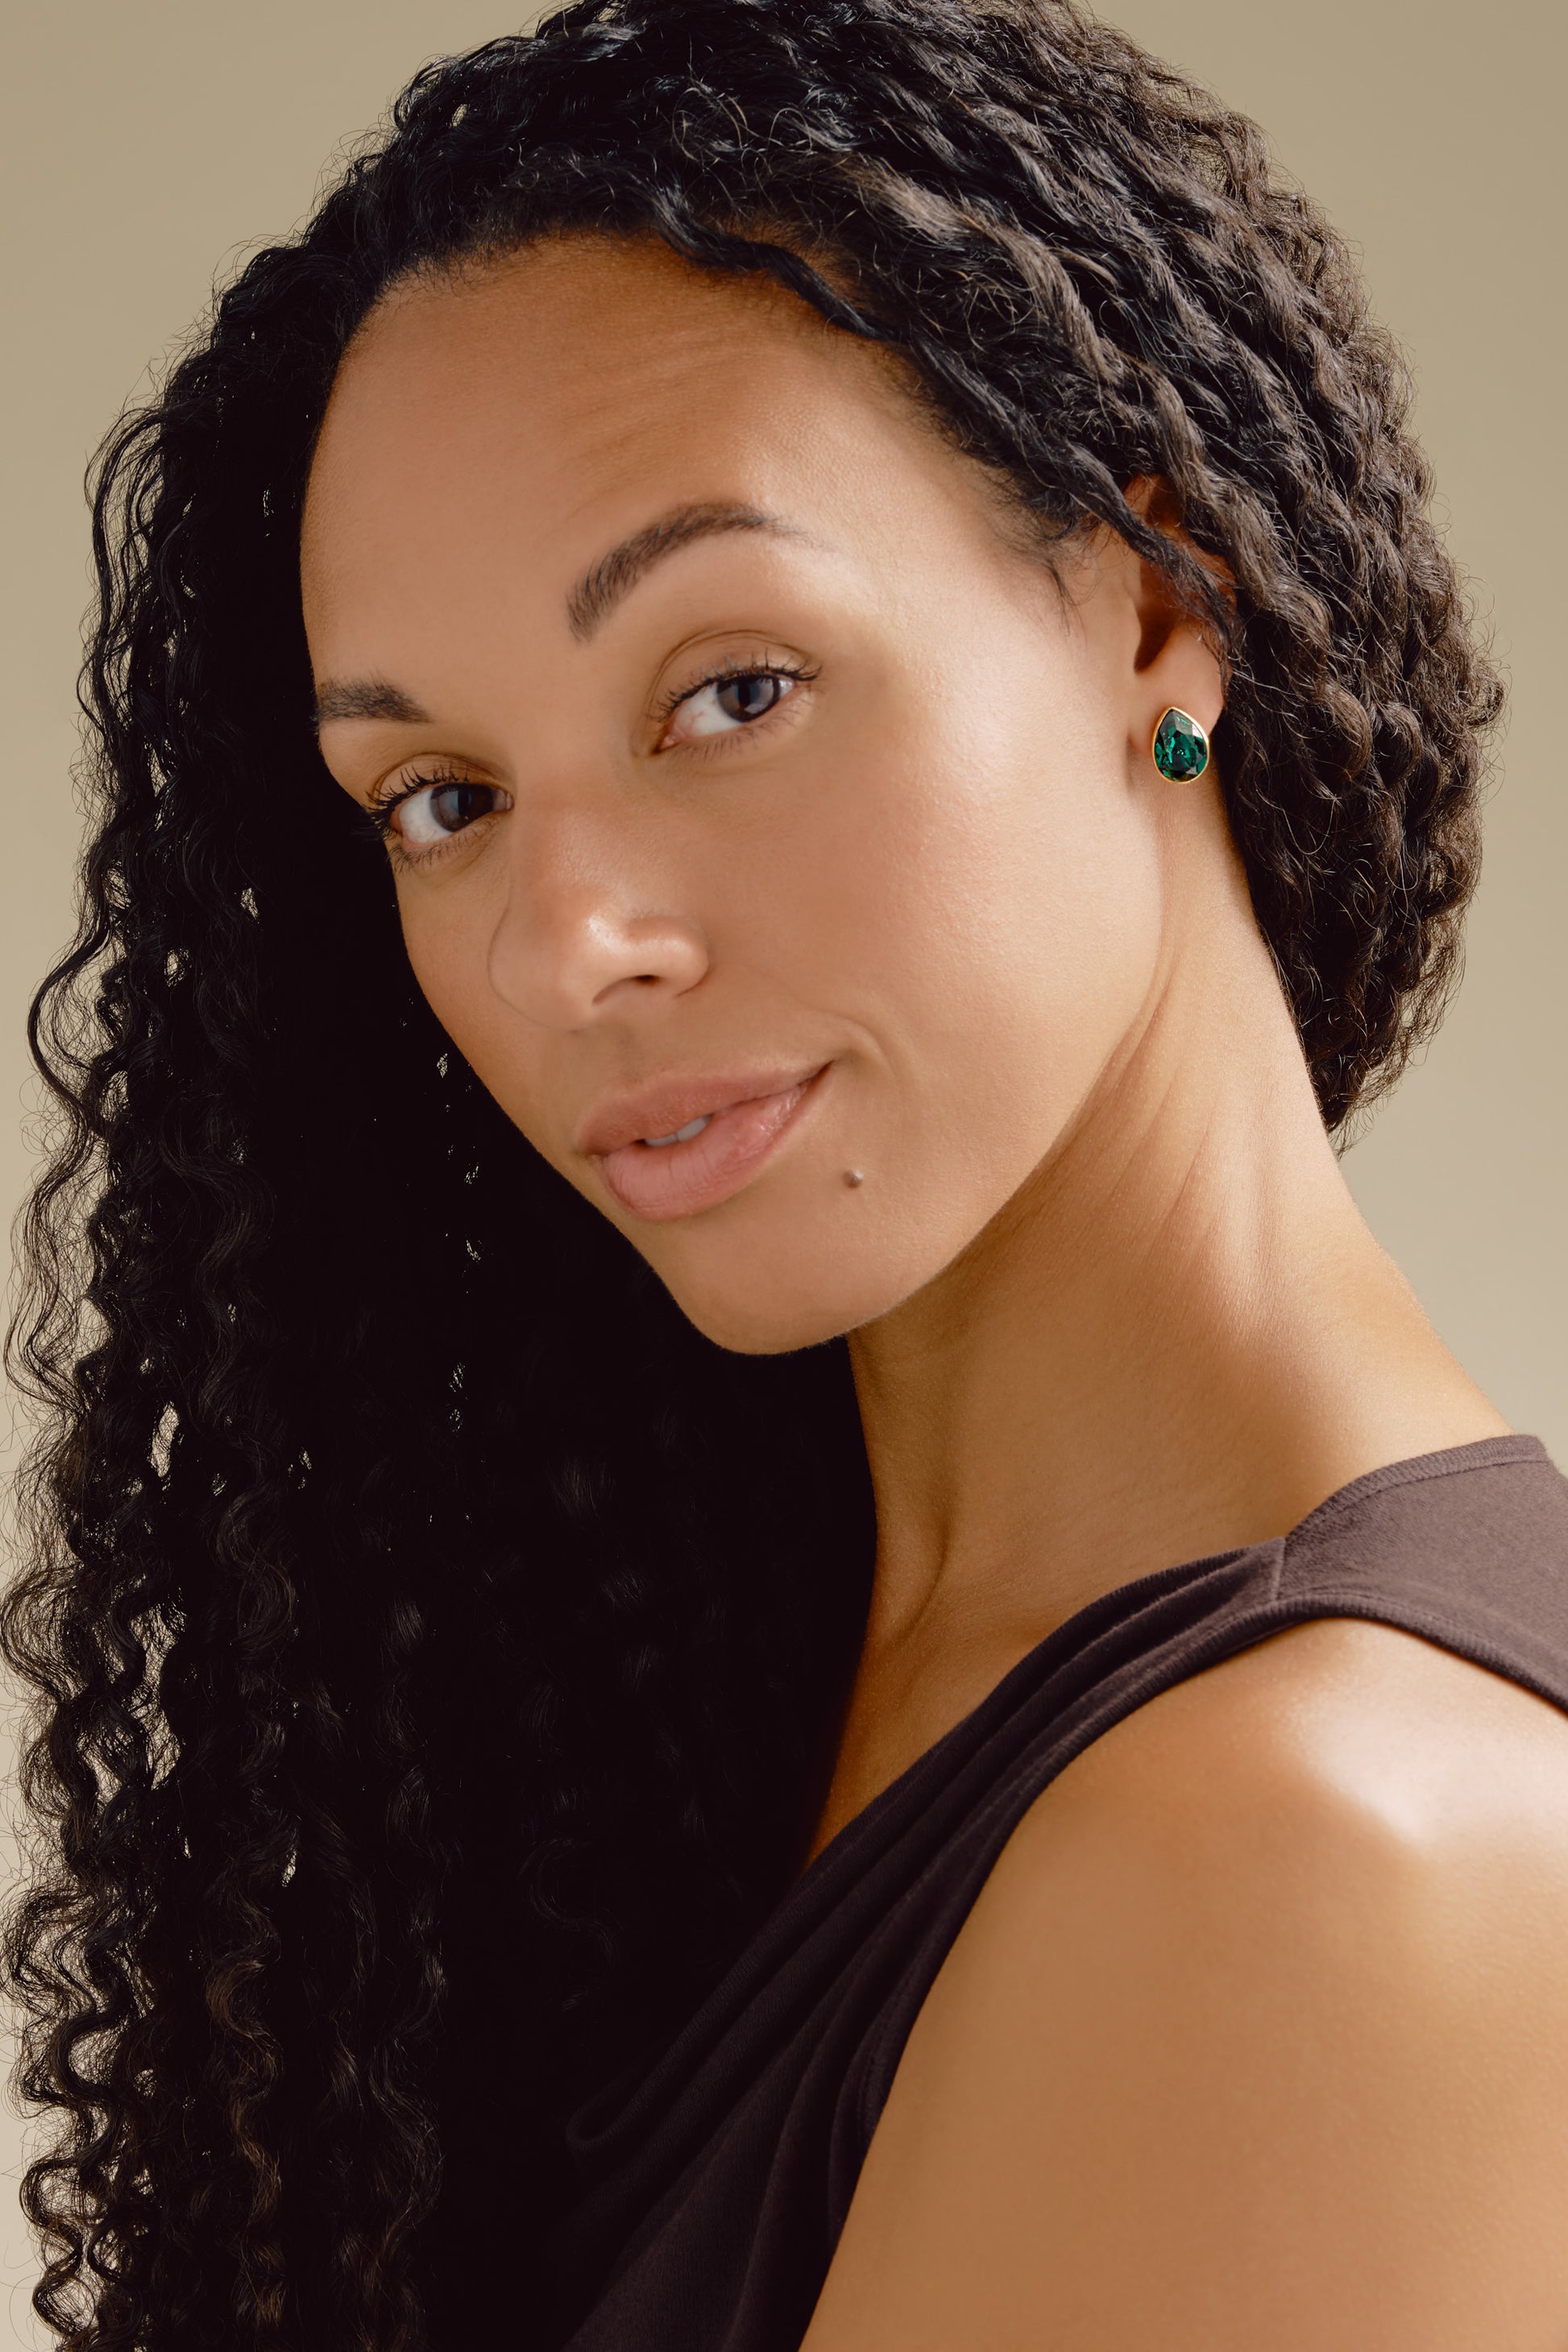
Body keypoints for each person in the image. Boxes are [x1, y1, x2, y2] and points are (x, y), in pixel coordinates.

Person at [8, 0, 1568, 2345]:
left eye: (730, 688)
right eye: (441, 797)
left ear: (1159, 601)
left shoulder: (1327, 1847)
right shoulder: (722, 1671)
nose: (565, 944)